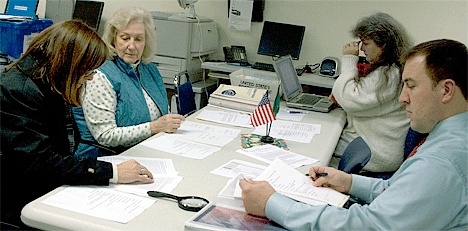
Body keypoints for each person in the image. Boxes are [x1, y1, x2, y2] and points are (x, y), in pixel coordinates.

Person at [240, 39, 467, 230]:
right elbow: (398, 192)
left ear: (446, 90)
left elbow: (367, 226)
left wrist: (271, 203)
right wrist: (348, 182)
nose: (403, 98)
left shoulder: (441, 162)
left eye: (411, 85)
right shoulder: (450, 137)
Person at [0, 20, 155, 229]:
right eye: (87, 72)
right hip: (21, 200)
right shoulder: (19, 91)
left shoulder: (49, 78)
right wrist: (111, 172)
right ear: (71, 65)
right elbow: (41, 163)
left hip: (49, 186)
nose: (89, 79)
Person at [73, 7, 185, 158]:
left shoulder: (150, 70)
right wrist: (154, 127)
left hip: (146, 150)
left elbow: (162, 114)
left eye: (138, 39)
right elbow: (105, 135)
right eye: (125, 38)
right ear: (114, 38)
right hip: (106, 159)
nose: (132, 46)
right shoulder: (99, 75)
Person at [329, 12, 413, 175]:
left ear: (384, 45)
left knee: (319, 149)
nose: (361, 49)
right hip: (375, 147)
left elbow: (349, 100)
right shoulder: (391, 71)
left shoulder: (390, 75)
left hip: (374, 155)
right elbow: (355, 99)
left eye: (366, 43)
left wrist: (348, 60)